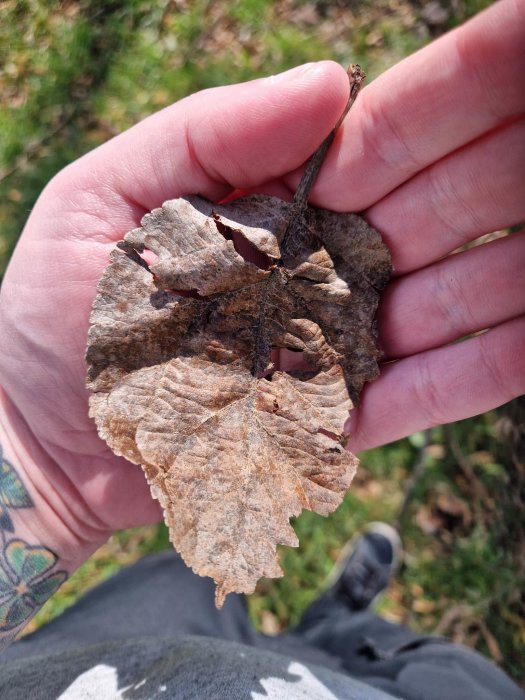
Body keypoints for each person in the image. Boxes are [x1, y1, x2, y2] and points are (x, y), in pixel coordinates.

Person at [0, 0, 523, 696]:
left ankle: (325, 620)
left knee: (175, 592)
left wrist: (31, 459)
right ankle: (345, 627)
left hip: (118, 640)